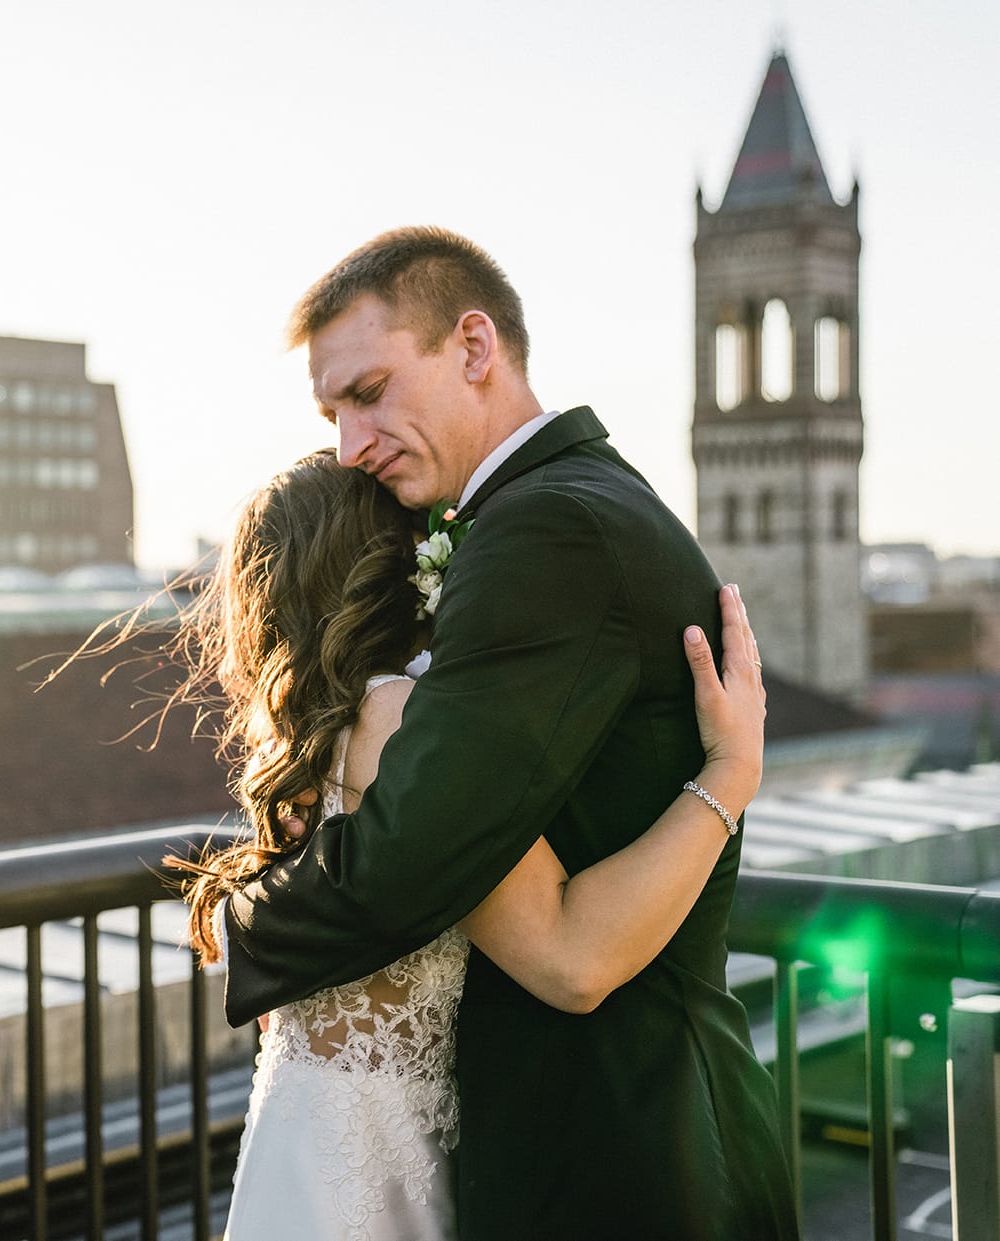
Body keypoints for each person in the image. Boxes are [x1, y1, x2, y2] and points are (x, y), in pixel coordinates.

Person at [220, 227, 798, 1238]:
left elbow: (411, 853)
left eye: (368, 391)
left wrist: (240, 923)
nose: (351, 443)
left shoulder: (546, 528)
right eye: (333, 412)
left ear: (475, 347)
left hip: (615, 1145)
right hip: (646, 1123)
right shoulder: (583, 499)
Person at [164, 451, 766, 1238]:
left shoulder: (302, 734)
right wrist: (729, 774)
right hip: (379, 1154)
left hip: (303, 1126)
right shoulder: (403, 717)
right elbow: (571, 958)